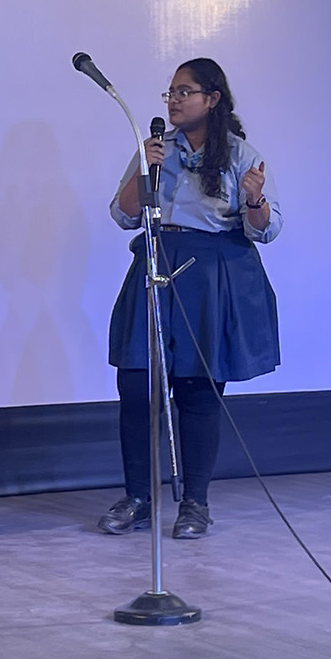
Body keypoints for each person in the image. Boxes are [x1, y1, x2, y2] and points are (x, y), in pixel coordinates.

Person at [100, 58, 281, 539]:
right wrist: (144, 170)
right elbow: (123, 214)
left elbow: (266, 230)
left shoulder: (241, 154)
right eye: (171, 93)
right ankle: (138, 498)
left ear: (212, 99)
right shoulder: (156, 149)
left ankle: (195, 503)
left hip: (210, 276)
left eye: (185, 92)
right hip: (157, 264)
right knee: (137, 385)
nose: (175, 101)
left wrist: (254, 199)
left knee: (198, 390)